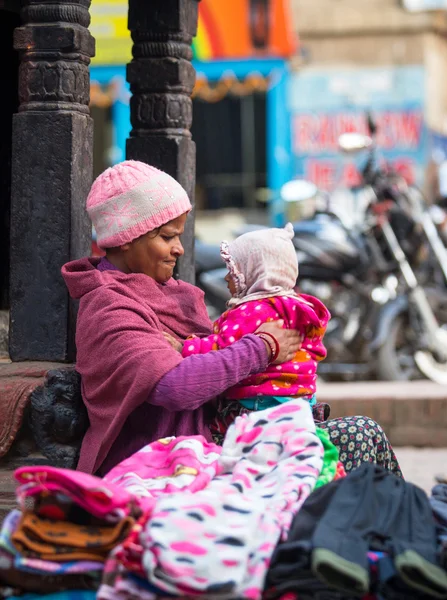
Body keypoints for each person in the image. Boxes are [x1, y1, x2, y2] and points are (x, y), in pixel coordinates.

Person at [62, 160, 403, 478]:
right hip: (167, 462)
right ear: (125, 240)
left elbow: (210, 354)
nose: (179, 248)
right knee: (359, 436)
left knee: (363, 435)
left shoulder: (174, 294)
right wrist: (263, 347)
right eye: (167, 237)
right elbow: (175, 387)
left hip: (223, 440)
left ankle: (396, 533)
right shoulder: (109, 307)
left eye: (179, 235)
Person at [181, 223, 330, 443]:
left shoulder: (251, 311)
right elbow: (317, 352)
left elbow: (221, 348)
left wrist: (184, 346)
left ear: (256, 272)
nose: (227, 279)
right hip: (301, 406)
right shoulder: (299, 308)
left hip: (258, 408)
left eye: (233, 272)